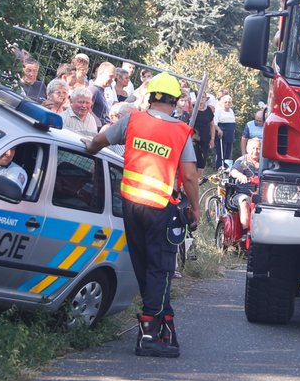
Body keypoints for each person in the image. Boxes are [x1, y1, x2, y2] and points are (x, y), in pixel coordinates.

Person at [85, 73, 199, 358]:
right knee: (160, 267)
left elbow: (98, 141)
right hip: (160, 207)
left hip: (130, 204)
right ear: (174, 102)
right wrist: (195, 208)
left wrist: (87, 149)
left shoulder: (132, 121)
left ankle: (164, 320)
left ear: (151, 98)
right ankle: (149, 332)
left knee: (143, 263)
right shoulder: (180, 131)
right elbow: (189, 176)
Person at [229, 138, 262, 229]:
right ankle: (245, 231)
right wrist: (240, 175)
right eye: (253, 148)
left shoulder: (265, 163)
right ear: (247, 149)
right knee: (244, 201)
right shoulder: (243, 161)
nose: (255, 151)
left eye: (258, 148)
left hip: (261, 195)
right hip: (243, 193)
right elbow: (234, 171)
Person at [213, 93, 237, 166]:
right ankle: (219, 167)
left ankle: (227, 167)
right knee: (221, 152)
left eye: (229, 102)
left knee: (228, 152)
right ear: (222, 103)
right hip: (222, 133)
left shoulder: (231, 111)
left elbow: (233, 121)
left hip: (230, 134)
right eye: (225, 102)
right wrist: (219, 130)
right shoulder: (218, 111)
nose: (227, 104)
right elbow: (214, 123)